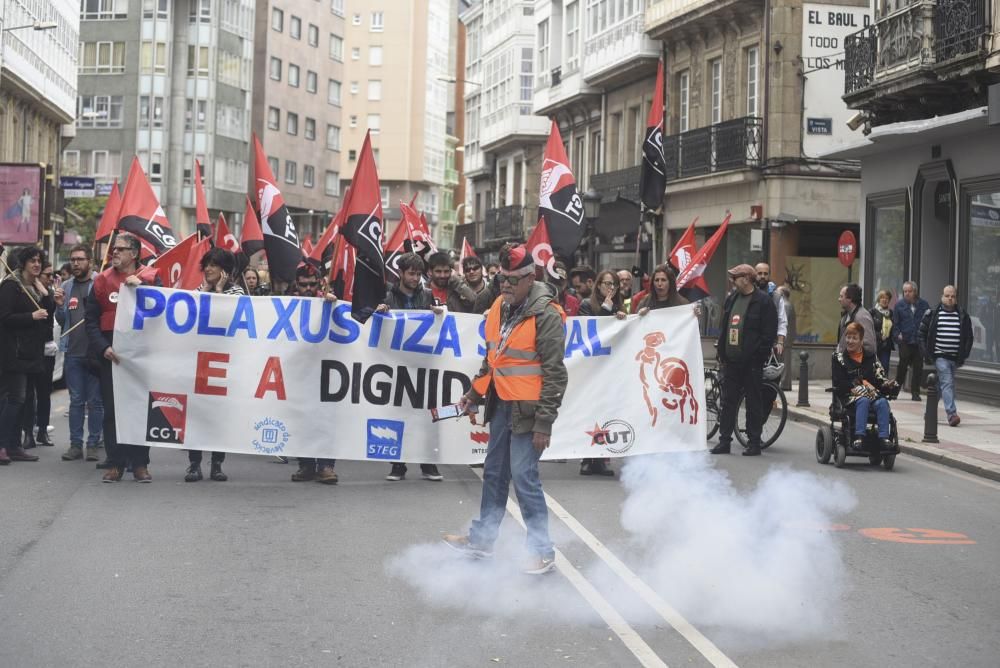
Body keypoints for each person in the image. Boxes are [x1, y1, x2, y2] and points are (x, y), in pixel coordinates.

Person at [443, 244, 567, 575]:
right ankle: (482, 541)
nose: (505, 286)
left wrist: (544, 422)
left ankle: (542, 552)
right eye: (501, 280)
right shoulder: (499, 306)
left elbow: (556, 374)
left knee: (524, 478)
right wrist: (473, 392)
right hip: (501, 405)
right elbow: (493, 360)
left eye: (512, 280)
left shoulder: (548, 315)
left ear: (530, 278)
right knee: (495, 474)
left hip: (528, 413)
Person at [86, 232, 161, 482]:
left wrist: (145, 290)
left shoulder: (151, 277)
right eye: (113, 249)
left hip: (141, 357)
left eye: (120, 249)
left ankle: (140, 463)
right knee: (113, 411)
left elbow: (163, 311)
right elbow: (91, 321)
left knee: (140, 408)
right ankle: (115, 463)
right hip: (112, 357)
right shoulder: (101, 281)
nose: (114, 252)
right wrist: (102, 348)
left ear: (134, 253)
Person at [375, 252, 445, 482]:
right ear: (401, 274)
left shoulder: (427, 296)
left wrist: (438, 313)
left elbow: (439, 327)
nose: (415, 278)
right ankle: (398, 465)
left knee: (428, 415)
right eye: (411, 274)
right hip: (397, 365)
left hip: (423, 365)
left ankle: (428, 464)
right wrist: (381, 312)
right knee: (399, 414)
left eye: (418, 274)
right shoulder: (388, 296)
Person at [184, 248, 245, 483]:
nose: (208, 269)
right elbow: (189, 313)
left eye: (214, 265)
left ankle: (217, 464)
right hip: (199, 362)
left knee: (220, 416)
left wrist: (219, 292)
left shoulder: (237, 291)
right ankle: (194, 464)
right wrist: (208, 291)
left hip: (225, 364)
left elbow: (231, 317)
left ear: (225, 270)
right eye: (206, 264)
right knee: (196, 414)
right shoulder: (199, 291)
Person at [710, 264, 778, 457]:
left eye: (736, 277)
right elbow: (725, 327)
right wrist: (722, 352)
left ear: (747, 278)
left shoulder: (763, 301)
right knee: (728, 402)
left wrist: (758, 356)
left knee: (753, 402)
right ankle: (724, 441)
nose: (732, 281)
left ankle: (754, 442)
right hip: (731, 362)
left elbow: (768, 333)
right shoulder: (732, 298)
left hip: (752, 363)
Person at [0, 246, 52, 465]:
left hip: (31, 352)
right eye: (32, 261)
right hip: (14, 352)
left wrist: (46, 294)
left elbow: (48, 315)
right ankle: (2, 444)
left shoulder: (34, 287)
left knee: (25, 401)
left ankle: (14, 446)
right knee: (15, 399)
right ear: (23, 263)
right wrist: (31, 316)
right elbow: (5, 317)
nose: (37, 265)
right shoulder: (11, 286)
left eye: (39, 261)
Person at [288, 264, 339, 484]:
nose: (308, 288)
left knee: (326, 418)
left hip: (327, 370)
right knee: (301, 417)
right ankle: (306, 465)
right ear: (296, 285)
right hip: (300, 370)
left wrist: (333, 304)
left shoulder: (330, 302)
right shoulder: (288, 304)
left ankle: (326, 466)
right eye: (303, 284)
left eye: (312, 284)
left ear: (319, 283)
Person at [55, 245, 104, 462]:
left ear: (90, 262)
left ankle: (93, 443)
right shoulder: (66, 286)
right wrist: (58, 307)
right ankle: (76, 444)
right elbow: (61, 320)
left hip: (94, 353)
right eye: (73, 259)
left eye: (80, 260)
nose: (75, 263)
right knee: (76, 401)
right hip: (73, 352)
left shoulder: (100, 283)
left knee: (95, 402)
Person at [576, 270, 625, 476]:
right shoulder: (587, 305)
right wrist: (606, 309)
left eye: (613, 284)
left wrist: (623, 317)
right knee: (591, 412)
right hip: (592, 366)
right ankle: (587, 458)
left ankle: (603, 458)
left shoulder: (620, 306)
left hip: (611, 367)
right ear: (598, 285)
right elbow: (592, 332)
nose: (609, 288)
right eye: (606, 284)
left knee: (606, 412)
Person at [832, 322, 898, 450]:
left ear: (861, 340)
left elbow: (880, 379)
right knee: (863, 401)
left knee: (882, 402)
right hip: (850, 396)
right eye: (848, 337)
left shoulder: (871, 357)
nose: (850, 341)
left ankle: (884, 438)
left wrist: (887, 384)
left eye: (854, 338)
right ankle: (859, 437)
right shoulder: (839, 358)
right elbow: (839, 383)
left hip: (872, 395)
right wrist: (859, 384)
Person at [918, 285, 973, 427]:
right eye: (947, 296)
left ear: (956, 298)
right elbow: (921, 334)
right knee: (948, 383)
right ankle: (952, 414)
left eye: (952, 296)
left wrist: (964, 354)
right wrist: (927, 354)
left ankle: (929, 412)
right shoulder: (933, 313)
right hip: (940, 356)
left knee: (941, 386)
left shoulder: (962, 314)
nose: (950, 298)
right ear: (942, 296)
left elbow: (969, 336)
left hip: (955, 357)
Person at [21, 259, 57, 448]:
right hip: (29, 349)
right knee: (28, 393)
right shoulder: (26, 291)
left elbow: (51, 314)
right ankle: (28, 432)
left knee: (44, 392)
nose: (50, 279)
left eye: (52, 275)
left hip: (46, 348)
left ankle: (42, 430)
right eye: (47, 275)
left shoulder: (48, 294)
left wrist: (48, 296)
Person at [893, 280, 930, 401]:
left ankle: (915, 392)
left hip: (918, 342)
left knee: (918, 368)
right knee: (902, 367)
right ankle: (895, 391)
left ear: (915, 291)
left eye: (909, 291)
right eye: (905, 291)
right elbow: (896, 324)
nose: (907, 294)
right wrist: (898, 335)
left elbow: (928, 322)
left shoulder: (924, 305)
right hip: (905, 341)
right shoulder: (899, 305)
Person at [755, 263, 788, 357]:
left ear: (769, 275)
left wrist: (780, 342)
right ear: (754, 274)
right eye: (760, 273)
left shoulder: (777, 297)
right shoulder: (749, 294)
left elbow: (782, 321)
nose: (762, 276)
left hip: (770, 346)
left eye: (765, 274)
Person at [836, 283, 876, 355]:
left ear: (850, 299)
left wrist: (851, 360)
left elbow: (869, 347)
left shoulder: (862, 317)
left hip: (856, 365)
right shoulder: (846, 315)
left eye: (841, 296)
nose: (839, 299)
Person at [870, 288, 897, 374]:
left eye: (887, 298)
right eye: (882, 298)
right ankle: (873, 386)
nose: (884, 300)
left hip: (886, 345)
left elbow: (894, 328)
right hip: (875, 345)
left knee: (885, 367)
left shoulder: (891, 313)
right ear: (879, 299)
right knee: (874, 367)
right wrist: (879, 335)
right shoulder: (872, 312)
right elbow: (868, 329)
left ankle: (883, 386)